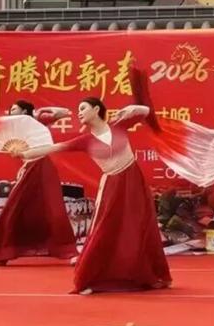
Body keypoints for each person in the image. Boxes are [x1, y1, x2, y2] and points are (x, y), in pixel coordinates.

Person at [16, 98, 171, 295]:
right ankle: (89, 279)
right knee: (104, 229)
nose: (79, 112)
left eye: (83, 108)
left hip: (135, 184)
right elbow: (53, 148)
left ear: (96, 109)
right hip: (113, 187)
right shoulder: (85, 141)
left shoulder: (119, 125)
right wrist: (24, 153)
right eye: (78, 109)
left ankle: (151, 276)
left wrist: (131, 109)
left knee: (142, 227)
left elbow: (145, 111)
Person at [0, 100, 78, 266]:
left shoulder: (36, 122)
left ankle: (69, 252)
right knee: (13, 208)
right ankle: (2, 254)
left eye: (14, 109)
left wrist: (40, 111)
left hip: (43, 167)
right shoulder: (10, 127)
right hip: (27, 168)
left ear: (24, 111)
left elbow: (65, 112)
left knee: (54, 209)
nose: (10, 112)